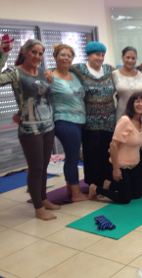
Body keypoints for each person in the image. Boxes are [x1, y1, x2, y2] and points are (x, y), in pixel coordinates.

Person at [0, 39, 59, 220]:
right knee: (36, 168)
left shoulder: (42, 72)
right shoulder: (14, 72)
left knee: (44, 166)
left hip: (48, 126)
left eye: (40, 53)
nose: (37, 56)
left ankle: (43, 199)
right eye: (33, 52)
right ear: (25, 53)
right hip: (29, 129)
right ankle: (38, 207)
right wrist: (2, 55)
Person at [46, 41, 116, 190]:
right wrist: (47, 71)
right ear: (89, 55)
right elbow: (60, 67)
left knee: (107, 154)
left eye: (103, 55)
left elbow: (124, 75)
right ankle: (93, 185)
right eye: (97, 54)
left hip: (109, 121)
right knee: (91, 156)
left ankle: (107, 183)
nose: (100, 58)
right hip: (89, 122)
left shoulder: (109, 69)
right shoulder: (78, 69)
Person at [89, 93, 142, 204]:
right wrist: (116, 168)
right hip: (121, 165)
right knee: (125, 199)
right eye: (137, 101)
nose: (140, 104)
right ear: (132, 104)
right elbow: (113, 145)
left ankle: (110, 184)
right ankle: (96, 189)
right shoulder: (125, 120)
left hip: (134, 165)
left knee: (136, 194)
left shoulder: (141, 122)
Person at [48, 44, 87, 202]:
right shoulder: (50, 76)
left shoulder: (73, 74)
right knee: (72, 158)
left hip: (79, 120)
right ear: (56, 56)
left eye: (69, 56)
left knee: (71, 157)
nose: (66, 58)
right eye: (62, 55)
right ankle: (76, 194)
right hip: (64, 121)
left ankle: (70, 191)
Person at [113, 46, 142, 121]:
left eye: (133, 58)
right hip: (122, 114)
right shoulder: (114, 74)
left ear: (136, 59)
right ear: (122, 58)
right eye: (127, 57)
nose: (130, 61)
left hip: (138, 116)